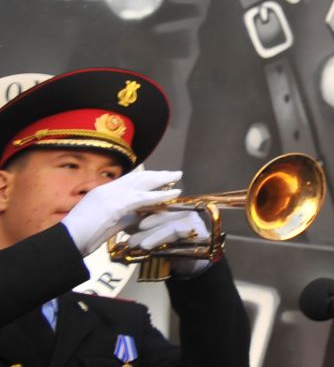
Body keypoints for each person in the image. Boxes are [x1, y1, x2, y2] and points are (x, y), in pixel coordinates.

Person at [0, 68, 249, 364]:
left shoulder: (122, 323)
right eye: (69, 165)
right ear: (3, 189)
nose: (93, 188)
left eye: (109, 175)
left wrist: (201, 279)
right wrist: (66, 242)